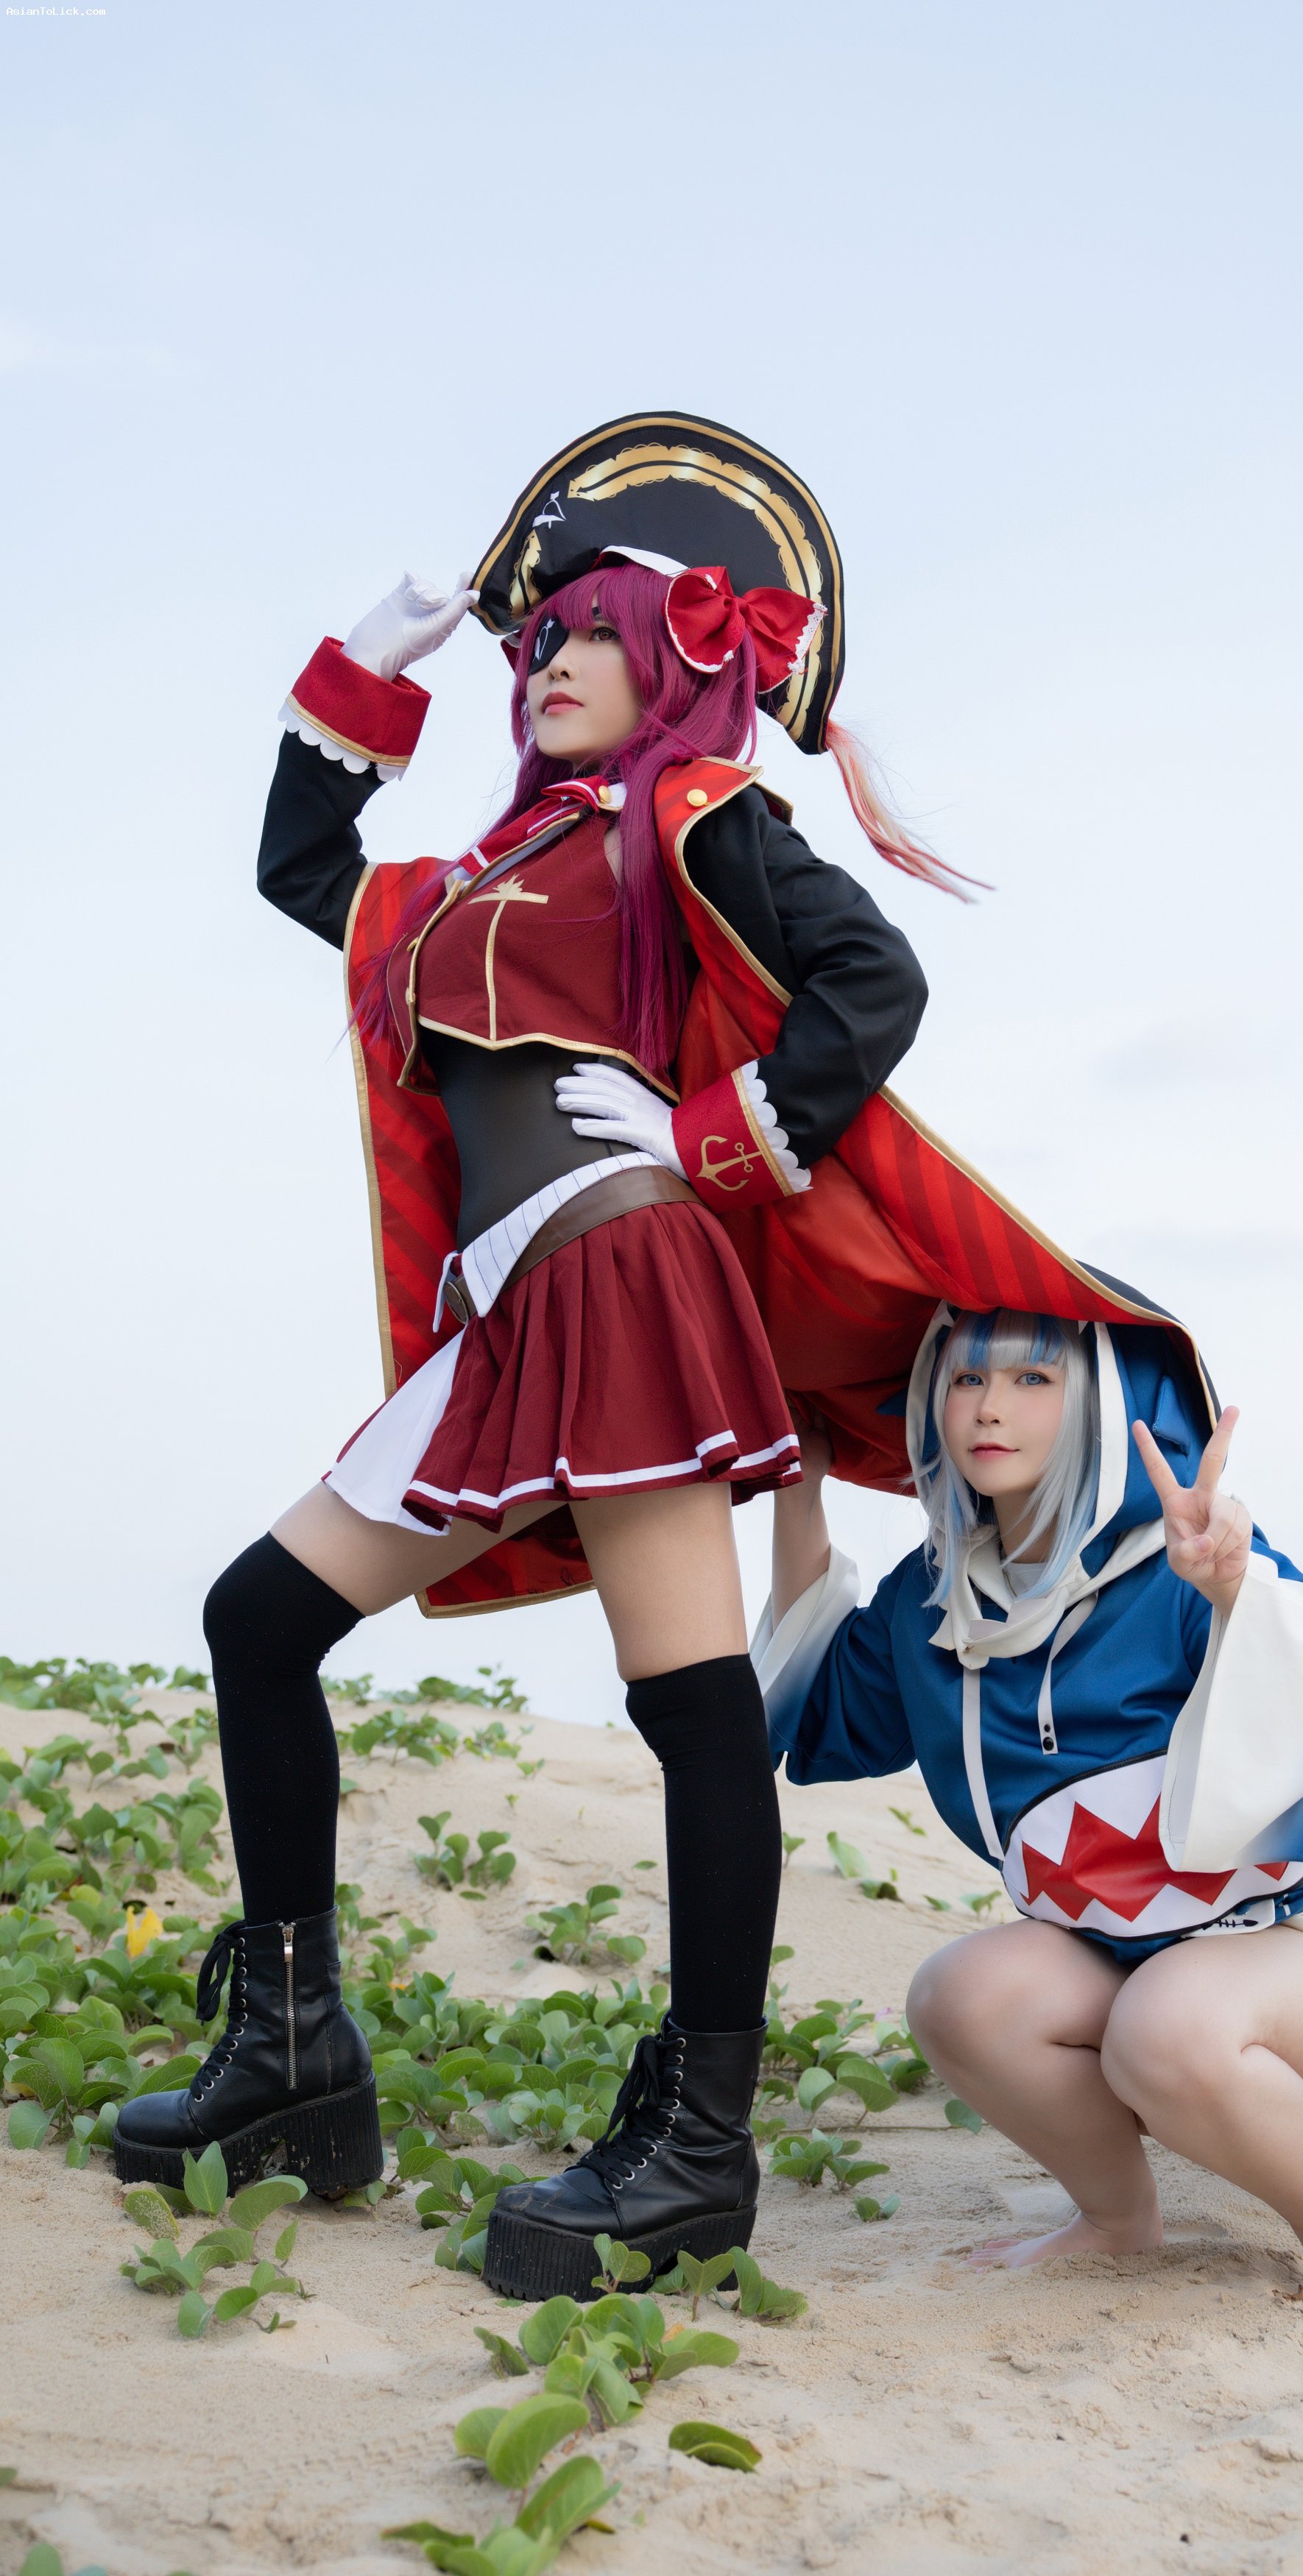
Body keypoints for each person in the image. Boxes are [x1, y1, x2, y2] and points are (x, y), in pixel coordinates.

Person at [112, 414, 964, 2296]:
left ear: (674, 659)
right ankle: (294, 2052)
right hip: (508, 1316)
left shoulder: (696, 822)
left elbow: (874, 980)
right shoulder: (479, 879)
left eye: (592, 633)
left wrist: (710, 1138)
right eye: (540, 638)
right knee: (260, 1619)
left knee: (689, 1707)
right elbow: (299, 866)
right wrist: (373, 658)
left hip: (625, 1276)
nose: (551, 659)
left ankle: (700, 2144)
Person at [758, 1305, 1303, 2310]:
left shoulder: (1183, 1558)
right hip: (1122, 1965)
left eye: (1033, 1380)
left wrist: (1235, 1591)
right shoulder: (932, 1597)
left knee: (1168, 2029)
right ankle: (1117, 2222)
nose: (989, 1408)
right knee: (963, 1997)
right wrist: (798, 1490)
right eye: (965, 1379)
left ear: (1103, 1404)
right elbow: (818, 1717)